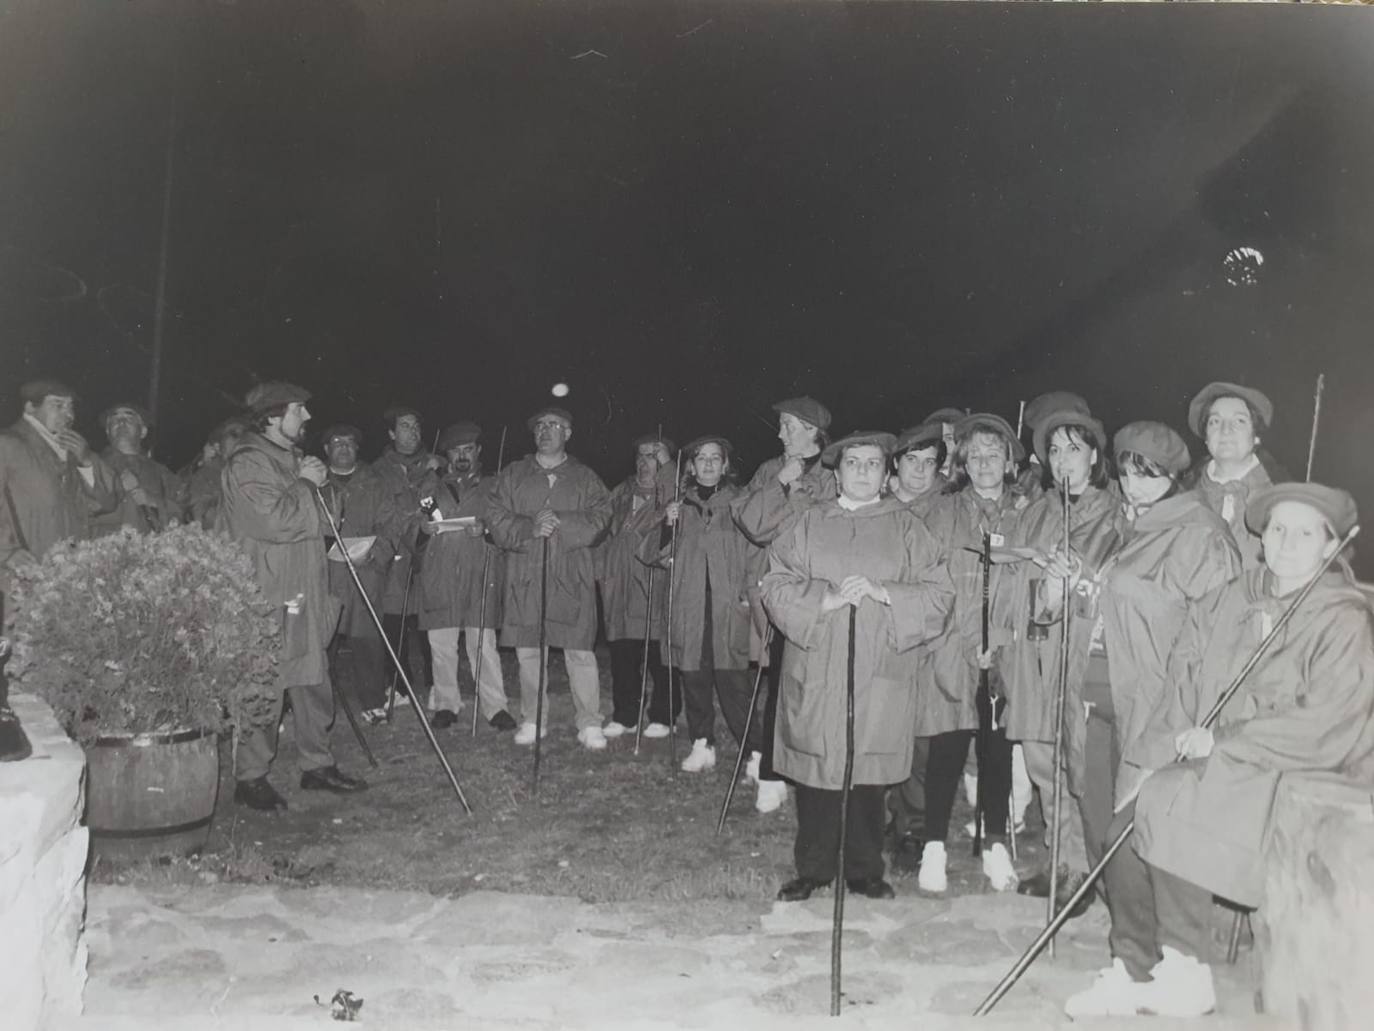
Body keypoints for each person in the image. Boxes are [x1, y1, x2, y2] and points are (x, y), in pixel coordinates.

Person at [1066, 483, 1371, 1018]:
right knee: (1128, 819)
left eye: (1305, 533)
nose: (1287, 543)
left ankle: (1186, 971)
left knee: (1174, 805)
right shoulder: (1231, 597)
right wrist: (1149, 757)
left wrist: (1226, 742)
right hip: (1215, 759)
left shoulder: (1340, 616)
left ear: (1329, 546)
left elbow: (1329, 723)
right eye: (1278, 529)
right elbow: (1182, 682)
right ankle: (1133, 969)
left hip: (1287, 764)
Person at [763, 431, 953, 901]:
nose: (863, 471)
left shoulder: (907, 528)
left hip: (879, 665)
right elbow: (775, 582)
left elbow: (939, 592)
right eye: (853, 463)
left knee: (868, 771)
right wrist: (822, 600)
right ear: (838, 471)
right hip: (819, 662)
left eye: (872, 464)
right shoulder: (809, 523)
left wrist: (886, 593)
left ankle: (865, 868)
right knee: (818, 768)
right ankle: (814, 867)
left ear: (886, 473)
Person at [1059, 422, 1241, 878]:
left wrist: (1184, 716)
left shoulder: (1201, 536)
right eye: (1126, 473)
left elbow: (1214, 640)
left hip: (1152, 699)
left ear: (1174, 479)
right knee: (1096, 810)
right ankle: (1114, 913)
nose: (1133, 485)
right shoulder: (1116, 524)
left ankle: (1143, 932)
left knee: (1138, 818)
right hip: (1091, 692)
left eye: (1147, 475)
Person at [220, 382, 367, 809]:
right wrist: (304, 485)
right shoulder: (248, 464)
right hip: (268, 589)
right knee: (265, 681)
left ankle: (316, 765)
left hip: (305, 584)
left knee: (312, 674)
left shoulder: (292, 460)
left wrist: (323, 489)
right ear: (271, 416)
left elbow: (323, 522)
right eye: (297, 410)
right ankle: (251, 777)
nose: (305, 418)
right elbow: (275, 522)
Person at [1004, 407, 1123, 916]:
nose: (1061, 460)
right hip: (1032, 653)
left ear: (1094, 456)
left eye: (1073, 448)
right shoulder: (1038, 509)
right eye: (1053, 450)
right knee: (1040, 757)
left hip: (1077, 656)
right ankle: (1061, 859)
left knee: (1075, 760)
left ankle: (1086, 867)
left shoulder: (1112, 512)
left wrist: (1077, 575)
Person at [916, 413, 1029, 894]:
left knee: (998, 748)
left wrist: (998, 639)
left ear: (1008, 461)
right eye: (975, 455)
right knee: (947, 745)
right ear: (963, 462)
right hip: (952, 647)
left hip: (1006, 651)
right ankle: (934, 845)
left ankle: (995, 842)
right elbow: (931, 577)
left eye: (993, 454)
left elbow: (1027, 581)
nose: (984, 463)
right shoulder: (943, 511)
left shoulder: (1027, 512)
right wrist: (964, 640)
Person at [733, 395, 836, 813]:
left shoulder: (834, 472)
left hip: (820, 592)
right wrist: (781, 484)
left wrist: (796, 498)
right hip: (776, 592)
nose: (780, 434)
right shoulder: (769, 470)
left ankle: (815, 766)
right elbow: (752, 524)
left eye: (789, 426)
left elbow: (823, 531)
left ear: (812, 431)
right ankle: (772, 773)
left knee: (816, 684)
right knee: (777, 682)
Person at [487, 406, 612, 749]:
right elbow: (495, 516)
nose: (546, 431)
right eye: (540, 425)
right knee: (529, 649)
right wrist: (529, 527)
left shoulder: (585, 477)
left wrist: (561, 522)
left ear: (568, 433)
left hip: (570, 572)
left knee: (578, 648)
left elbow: (602, 516)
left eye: (554, 425)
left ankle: (589, 720)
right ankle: (533, 716)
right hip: (526, 571)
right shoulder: (513, 474)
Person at [646, 436, 764, 773]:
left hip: (728, 607)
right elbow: (656, 555)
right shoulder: (680, 505)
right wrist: (667, 524)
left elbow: (756, 550)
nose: (709, 464)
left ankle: (754, 752)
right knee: (694, 676)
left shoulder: (742, 502)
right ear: (692, 466)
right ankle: (702, 742)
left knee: (733, 682)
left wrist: (749, 592)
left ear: (726, 465)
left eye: (716, 458)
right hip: (690, 605)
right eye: (702, 458)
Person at [417, 422, 515, 731]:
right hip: (440, 574)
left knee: (483, 645)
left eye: (468, 449)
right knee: (441, 645)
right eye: (456, 450)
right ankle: (447, 704)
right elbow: (408, 525)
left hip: (479, 574)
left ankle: (495, 707)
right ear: (446, 455)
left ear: (478, 451)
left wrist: (486, 530)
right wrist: (421, 530)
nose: (462, 455)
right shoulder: (429, 486)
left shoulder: (495, 485)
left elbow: (508, 526)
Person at [884, 421, 949, 873]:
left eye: (930, 464)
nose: (920, 472)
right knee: (879, 734)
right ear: (896, 464)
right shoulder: (875, 508)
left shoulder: (948, 512)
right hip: (882, 639)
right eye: (912, 461)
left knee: (922, 743)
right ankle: (875, 820)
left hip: (928, 639)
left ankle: (913, 827)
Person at [318, 424, 401, 724]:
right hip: (325, 575)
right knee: (320, 642)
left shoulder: (375, 483)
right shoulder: (315, 484)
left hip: (364, 572)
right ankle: (317, 710)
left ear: (357, 449)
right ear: (326, 449)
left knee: (367, 640)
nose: (343, 447)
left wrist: (375, 553)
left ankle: (372, 701)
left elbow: (391, 526)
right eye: (336, 442)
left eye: (349, 443)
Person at [597, 434, 679, 738]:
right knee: (622, 652)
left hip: (653, 580)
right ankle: (626, 714)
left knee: (659, 652)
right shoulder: (620, 492)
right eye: (642, 456)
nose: (646, 462)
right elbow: (602, 528)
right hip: (619, 582)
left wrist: (669, 469)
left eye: (654, 456)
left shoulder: (672, 492)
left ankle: (663, 714)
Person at [0, 379, 118, 586]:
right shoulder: (7, 443)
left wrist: (87, 461)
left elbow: (106, 504)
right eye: (58, 405)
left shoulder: (73, 454)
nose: (69, 414)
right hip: (21, 577)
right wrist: (6, 553)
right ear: (30, 407)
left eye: (71, 407)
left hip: (65, 581)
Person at [373, 406, 439, 705]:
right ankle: (400, 686)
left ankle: (437, 683)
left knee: (431, 621)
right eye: (404, 426)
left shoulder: (436, 464)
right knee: (394, 619)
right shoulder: (378, 470)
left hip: (428, 552)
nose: (411, 432)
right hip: (396, 554)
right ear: (391, 433)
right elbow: (382, 513)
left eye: (415, 426)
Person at [1184, 381, 1278, 569]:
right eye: (1215, 421)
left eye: (1239, 421)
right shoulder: (1184, 496)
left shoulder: (1279, 497)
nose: (1225, 430)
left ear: (1256, 435)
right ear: (1206, 437)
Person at [92, 402, 186, 534]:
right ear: (107, 431)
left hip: (150, 550)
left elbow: (184, 514)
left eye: (129, 418)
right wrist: (115, 489)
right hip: (101, 548)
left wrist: (152, 500)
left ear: (143, 431)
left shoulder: (162, 474)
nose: (121, 422)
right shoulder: (92, 466)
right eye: (115, 419)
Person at [186, 416, 249, 529]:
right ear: (217, 447)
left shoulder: (256, 472)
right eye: (233, 435)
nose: (240, 440)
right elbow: (200, 517)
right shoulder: (206, 476)